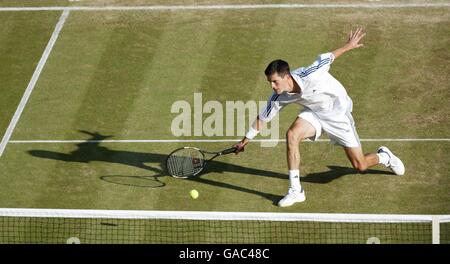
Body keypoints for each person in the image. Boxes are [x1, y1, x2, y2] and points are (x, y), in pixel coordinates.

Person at [233, 28, 405, 207]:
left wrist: (349, 45)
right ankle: (296, 191)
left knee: (360, 165)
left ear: (287, 76)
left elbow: (328, 57)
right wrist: (245, 141)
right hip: (314, 114)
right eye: (270, 82)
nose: (272, 86)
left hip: (337, 114)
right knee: (292, 135)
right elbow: (263, 118)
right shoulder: (278, 96)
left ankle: (384, 157)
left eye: (275, 81)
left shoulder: (311, 74)